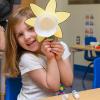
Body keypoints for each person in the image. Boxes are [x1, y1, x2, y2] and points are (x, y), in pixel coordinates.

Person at [4, 7, 73, 100]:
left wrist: (59, 58)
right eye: (20, 34)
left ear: (43, 26)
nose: (27, 37)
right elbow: (54, 87)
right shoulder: (27, 58)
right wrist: (51, 58)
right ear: (15, 41)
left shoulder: (61, 47)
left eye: (31, 28)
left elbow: (68, 82)